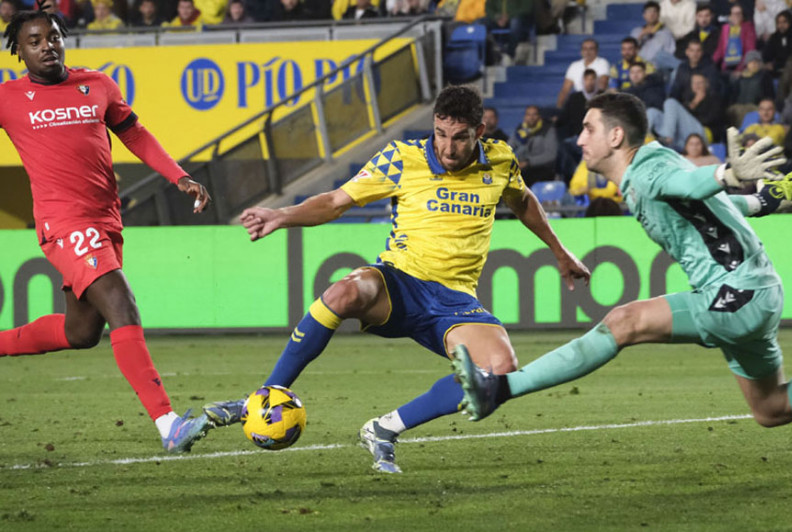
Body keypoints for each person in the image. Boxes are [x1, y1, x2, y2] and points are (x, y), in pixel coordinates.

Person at [452, 93, 792, 441]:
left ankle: (501, 389)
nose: (580, 138)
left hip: (734, 295)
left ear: (615, 137)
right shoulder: (654, 161)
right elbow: (703, 200)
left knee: (622, 322)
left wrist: (724, 174)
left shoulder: (645, 172)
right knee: (771, 409)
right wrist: (763, 199)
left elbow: (689, 182)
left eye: (589, 128)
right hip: (754, 293)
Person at [201, 86, 591, 474]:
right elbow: (338, 201)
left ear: (480, 133)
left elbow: (522, 201)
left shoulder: (501, 161)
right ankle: (261, 398)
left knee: (500, 368)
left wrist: (560, 250)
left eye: (460, 138)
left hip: (455, 300)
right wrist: (282, 215)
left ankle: (384, 429)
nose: (448, 148)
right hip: (398, 284)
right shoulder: (402, 158)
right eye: (440, 134)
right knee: (343, 292)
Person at [0, 7, 213, 452]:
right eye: (35, 41)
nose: (47, 46)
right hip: (63, 223)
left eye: (53, 37)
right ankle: (168, 423)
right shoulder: (9, 98)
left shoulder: (96, 84)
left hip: (105, 221)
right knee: (121, 301)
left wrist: (180, 177)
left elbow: (136, 135)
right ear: (17, 51)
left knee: (81, 333)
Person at [649, 72, 723, 150]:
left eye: (700, 83)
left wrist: (696, 103)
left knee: (670, 102)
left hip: (702, 135)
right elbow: (680, 117)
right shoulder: (689, 97)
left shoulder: (714, 98)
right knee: (652, 112)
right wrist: (694, 103)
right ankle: (645, 140)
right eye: (694, 83)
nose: (697, 86)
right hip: (681, 137)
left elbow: (713, 119)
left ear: (707, 84)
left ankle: (667, 137)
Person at [510, 105, 559, 185]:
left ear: (539, 116)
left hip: (542, 170)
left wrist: (528, 162)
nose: (531, 117)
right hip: (522, 169)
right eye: (528, 114)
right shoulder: (520, 130)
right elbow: (509, 146)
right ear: (525, 117)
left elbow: (551, 155)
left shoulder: (548, 130)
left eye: (534, 114)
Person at [556, 38, 610, 109]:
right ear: (581, 51)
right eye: (585, 49)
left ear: (597, 50)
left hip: (596, 100)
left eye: (591, 49)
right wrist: (558, 109)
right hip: (579, 101)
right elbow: (565, 90)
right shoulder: (574, 65)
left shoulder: (602, 63)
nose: (588, 52)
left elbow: (602, 86)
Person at [630, 1, 676, 70]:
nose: (652, 14)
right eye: (649, 11)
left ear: (659, 15)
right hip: (639, 67)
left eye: (655, 12)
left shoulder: (666, 33)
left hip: (657, 68)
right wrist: (642, 35)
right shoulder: (636, 32)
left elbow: (669, 55)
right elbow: (628, 50)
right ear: (644, 15)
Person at [712, 3, 756, 74]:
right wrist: (711, 63)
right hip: (726, 65)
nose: (736, 16)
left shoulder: (748, 28)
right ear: (730, 16)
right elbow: (720, 49)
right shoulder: (725, 28)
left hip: (742, 65)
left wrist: (740, 69)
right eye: (733, 14)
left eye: (738, 13)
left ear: (743, 16)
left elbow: (750, 50)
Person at [761, 9, 792, 77]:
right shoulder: (775, 37)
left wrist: (776, 65)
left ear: (790, 22)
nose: (781, 25)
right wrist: (767, 64)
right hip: (776, 69)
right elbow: (766, 54)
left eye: (784, 22)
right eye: (779, 23)